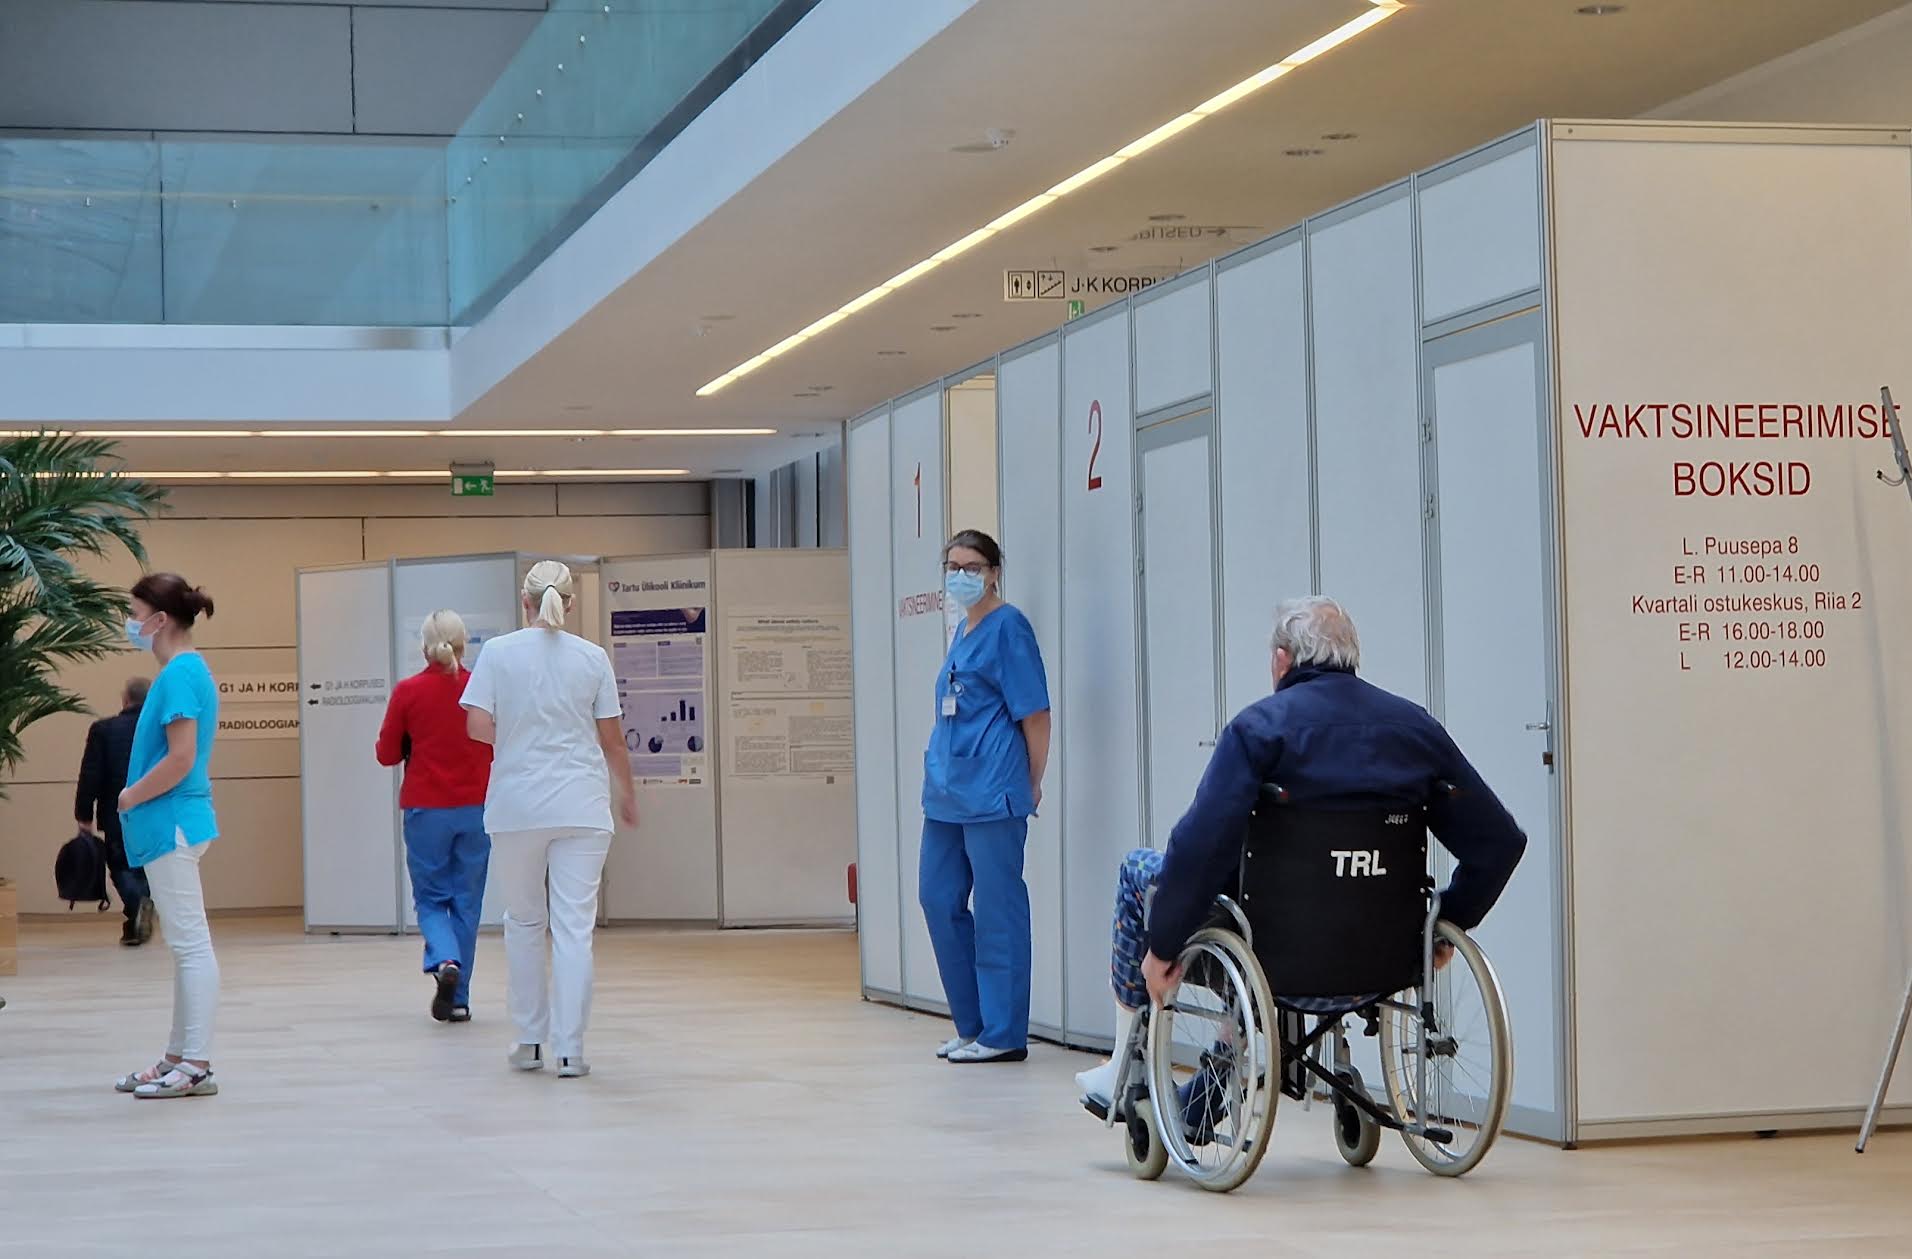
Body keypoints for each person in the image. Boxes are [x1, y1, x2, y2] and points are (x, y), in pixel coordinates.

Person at [1073, 595, 1526, 1107]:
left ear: (1282, 660)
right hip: (1384, 961)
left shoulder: (1260, 729)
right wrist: (1447, 924)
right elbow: (1500, 842)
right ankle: (1212, 1078)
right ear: (1351, 657)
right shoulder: (1414, 729)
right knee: (1251, 902)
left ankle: (1125, 1067)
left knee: (1143, 869)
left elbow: (1200, 848)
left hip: (1273, 955)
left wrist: (1163, 946)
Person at [462, 561, 638, 1079]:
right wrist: (626, 792)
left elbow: (476, 725)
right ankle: (570, 1050)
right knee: (574, 930)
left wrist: (518, 739)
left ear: (525, 601)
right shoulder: (592, 658)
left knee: (523, 922)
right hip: (582, 805)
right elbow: (611, 739)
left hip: (516, 805)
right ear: (571, 602)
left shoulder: (497, 653)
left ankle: (528, 1040)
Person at [920, 529, 1052, 1064]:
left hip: (994, 789)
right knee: (936, 897)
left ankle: (1003, 1033)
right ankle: (972, 1025)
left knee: (998, 910)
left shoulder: (1009, 627)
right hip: (947, 791)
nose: (961, 576)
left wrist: (1032, 779)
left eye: (972, 567)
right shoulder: (961, 630)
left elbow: (1036, 714)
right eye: (953, 566)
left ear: (994, 571)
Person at [111, 573, 224, 1100]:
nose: (131, 624)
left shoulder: (179, 676)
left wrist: (131, 795)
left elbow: (180, 758)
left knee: (191, 945)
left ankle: (195, 1062)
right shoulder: (184, 673)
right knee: (185, 947)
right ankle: (177, 1057)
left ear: (159, 620)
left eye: (135, 613)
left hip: (171, 822)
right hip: (175, 823)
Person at [376, 610, 493, 1024]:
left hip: (426, 810)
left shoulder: (409, 692)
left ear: (424, 646)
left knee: (430, 898)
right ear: (465, 643)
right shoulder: (483, 688)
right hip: (478, 808)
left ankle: (445, 960)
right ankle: (458, 998)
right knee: (467, 901)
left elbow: (387, 754)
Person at [77, 676, 155, 946]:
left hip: (117, 812)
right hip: (155, 810)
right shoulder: (162, 730)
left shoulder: (103, 730)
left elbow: (90, 775)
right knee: (149, 867)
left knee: (122, 866)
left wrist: (83, 815)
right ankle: (137, 919)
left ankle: (138, 905)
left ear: (125, 700)